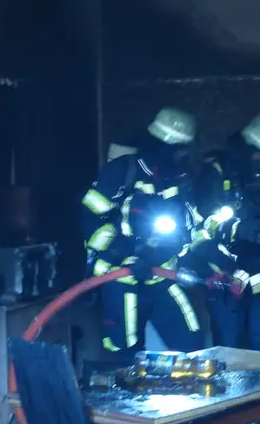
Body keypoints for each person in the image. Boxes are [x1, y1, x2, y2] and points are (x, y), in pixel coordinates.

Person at [80, 107, 209, 362]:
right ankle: (121, 399)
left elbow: (189, 225)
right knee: (125, 355)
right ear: (163, 145)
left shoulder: (178, 179)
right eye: (180, 148)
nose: (185, 155)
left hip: (162, 276)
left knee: (192, 343)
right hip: (123, 279)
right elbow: (90, 218)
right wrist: (123, 250)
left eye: (187, 148)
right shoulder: (122, 171)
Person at [194, 114, 260, 350]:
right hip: (226, 274)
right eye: (259, 152)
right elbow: (200, 222)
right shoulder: (217, 172)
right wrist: (238, 230)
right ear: (245, 146)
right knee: (228, 346)